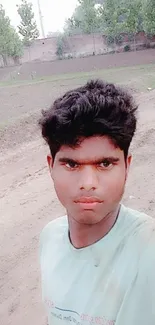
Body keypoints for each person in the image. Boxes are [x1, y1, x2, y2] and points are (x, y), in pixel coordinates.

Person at [39, 79, 155, 325]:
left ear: (127, 166)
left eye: (105, 164)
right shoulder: (49, 238)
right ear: (51, 166)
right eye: (72, 164)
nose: (88, 183)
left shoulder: (148, 251)